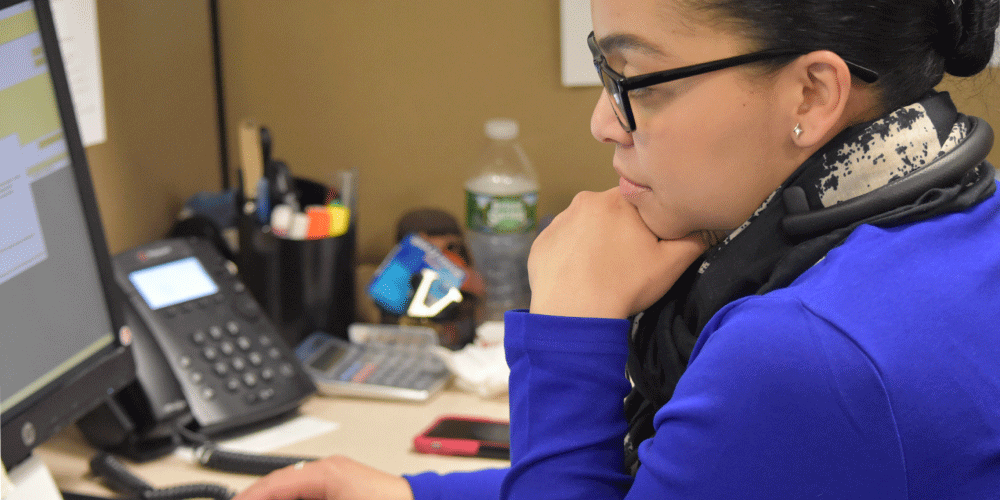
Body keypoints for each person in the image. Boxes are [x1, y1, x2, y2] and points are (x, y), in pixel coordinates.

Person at [234, 0, 1000, 498]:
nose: (604, 122)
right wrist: (407, 496)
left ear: (811, 94)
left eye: (633, 75)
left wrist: (574, 323)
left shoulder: (806, 353)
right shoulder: (950, 228)